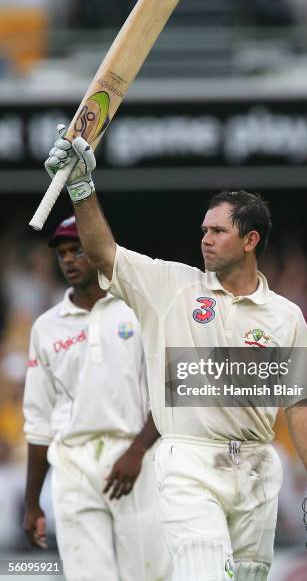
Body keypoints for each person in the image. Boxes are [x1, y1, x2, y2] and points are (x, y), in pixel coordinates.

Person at [42, 126, 307, 581]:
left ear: (250, 241)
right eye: (203, 230)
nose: (205, 238)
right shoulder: (170, 285)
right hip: (189, 461)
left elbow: (302, 404)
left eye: (218, 231)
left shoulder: (284, 316)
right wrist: (81, 187)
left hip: (256, 467)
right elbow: (104, 252)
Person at [22, 215, 171, 581]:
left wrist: (137, 451)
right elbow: (38, 420)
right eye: (62, 254)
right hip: (73, 464)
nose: (69, 260)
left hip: (135, 460)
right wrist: (31, 504)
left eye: (78, 251)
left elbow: (171, 390)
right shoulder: (47, 326)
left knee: (149, 575)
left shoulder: (138, 309)